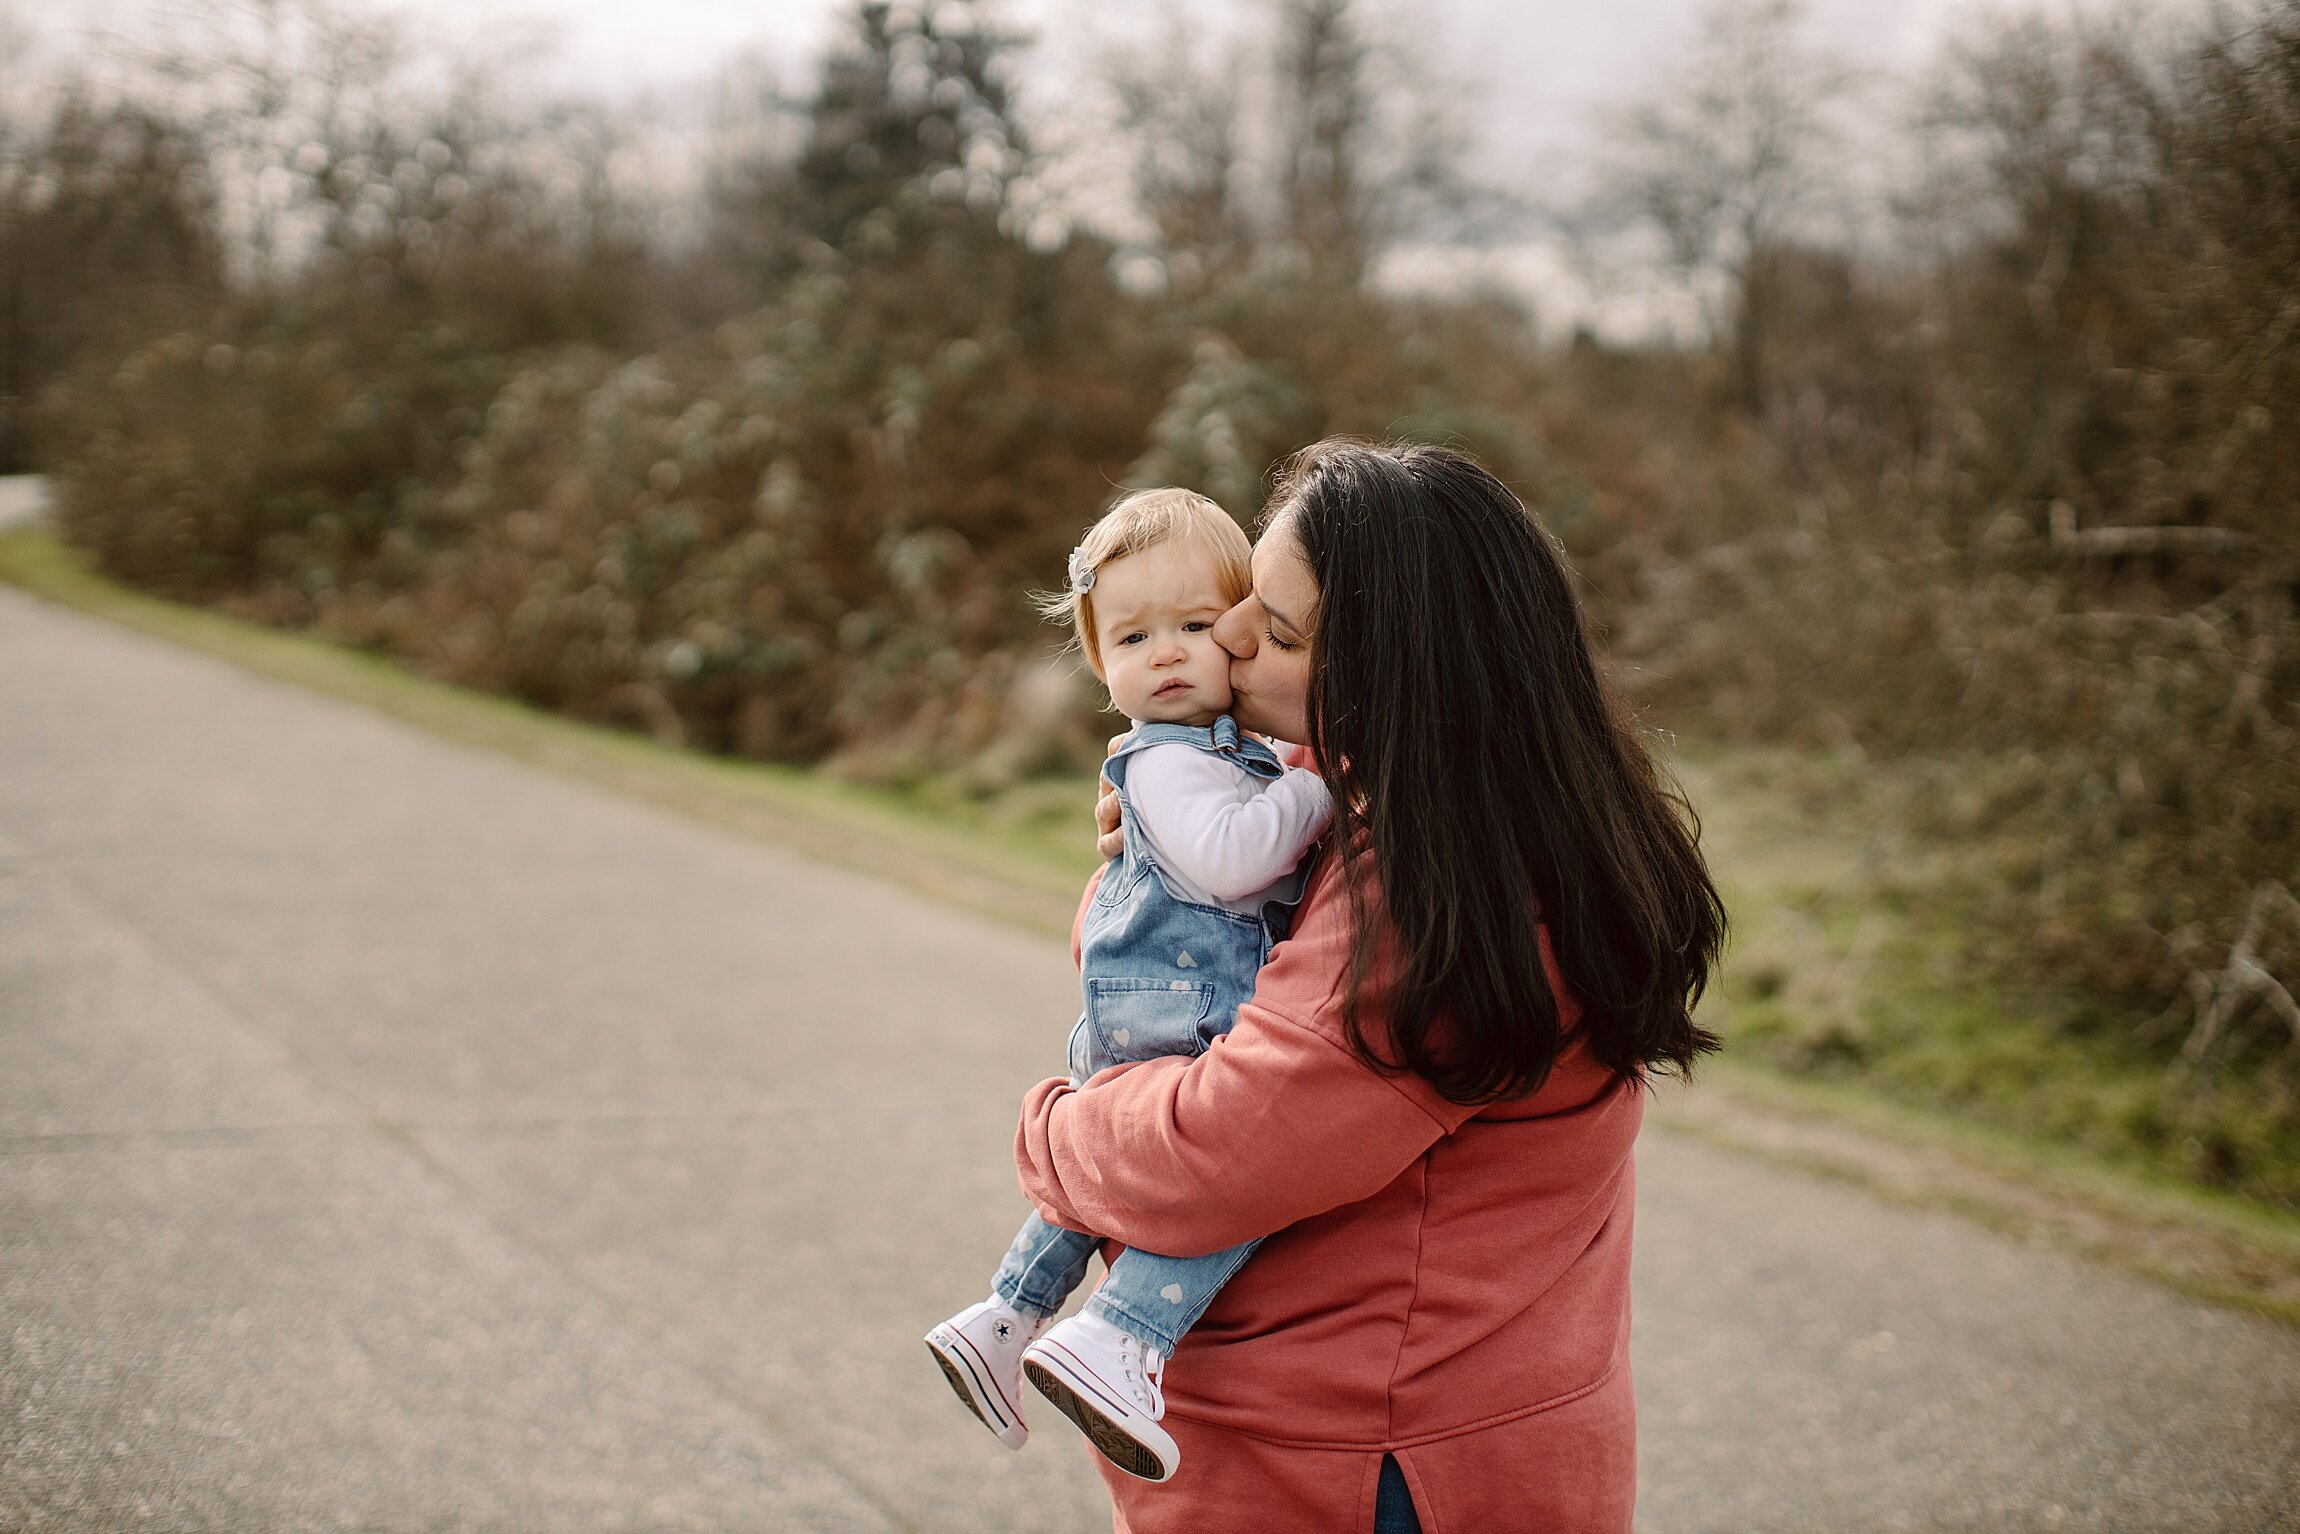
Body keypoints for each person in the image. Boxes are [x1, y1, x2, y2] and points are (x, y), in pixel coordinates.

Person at [1014, 440, 1728, 1532]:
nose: (1231, 635)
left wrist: (1050, 1137)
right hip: (1381, 1438)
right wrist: (1148, 864)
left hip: (1369, 1469)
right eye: (1249, 594)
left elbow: (1214, 1153)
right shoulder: (1398, 793)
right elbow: (1163, 974)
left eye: (1281, 629)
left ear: (1397, 675)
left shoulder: (1442, 896)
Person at [925, 487, 1333, 1483]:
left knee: (1112, 1183)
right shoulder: (1162, 764)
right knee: (1223, 1175)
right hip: (1189, 1005)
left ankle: (1004, 1315)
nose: (1167, 651)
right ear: (1098, 659)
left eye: (1195, 626)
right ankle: (1121, 1339)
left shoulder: (1199, 756)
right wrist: (1321, 782)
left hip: (1153, 997)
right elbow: (1236, 864)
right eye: (1133, 635)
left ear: (1240, 629)